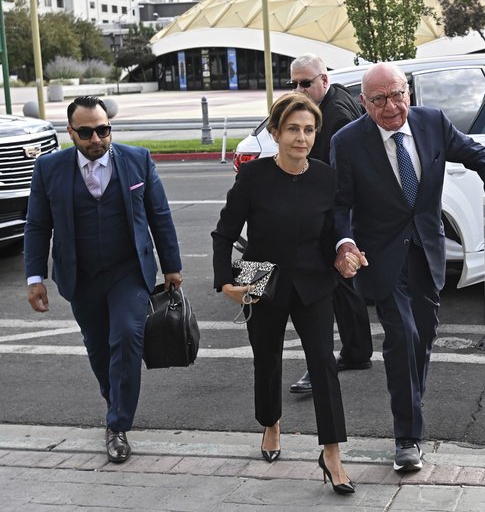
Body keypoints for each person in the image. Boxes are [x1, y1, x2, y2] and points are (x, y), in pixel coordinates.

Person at [330, 63, 485, 473]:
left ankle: (409, 402)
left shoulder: (433, 123)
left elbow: (482, 156)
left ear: (408, 92)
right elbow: (339, 205)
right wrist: (344, 243)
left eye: (397, 94)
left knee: (424, 336)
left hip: (428, 251)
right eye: (379, 99)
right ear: (364, 103)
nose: (391, 106)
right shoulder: (348, 142)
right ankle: (407, 437)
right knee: (403, 335)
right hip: (379, 257)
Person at [24, 96, 183, 464]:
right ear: (70, 132)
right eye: (86, 132)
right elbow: (37, 226)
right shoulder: (49, 168)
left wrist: (172, 266)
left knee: (127, 336)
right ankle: (116, 404)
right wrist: (36, 277)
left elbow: (159, 214)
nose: (96, 138)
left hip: (128, 270)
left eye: (103, 129)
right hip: (80, 276)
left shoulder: (137, 159)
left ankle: (117, 425)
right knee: (98, 348)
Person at [211, 93, 354, 494]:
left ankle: (332, 454)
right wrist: (226, 282)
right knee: (267, 359)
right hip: (261, 277)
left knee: (324, 364)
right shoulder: (253, 176)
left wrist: (344, 253)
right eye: (292, 129)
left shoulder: (326, 177)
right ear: (274, 132)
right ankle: (271, 424)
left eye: (308, 130)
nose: (301, 138)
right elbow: (223, 235)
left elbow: (332, 234)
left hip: (313, 279)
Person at [286, 54, 373, 395]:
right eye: (293, 82)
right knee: (342, 284)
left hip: (333, 210)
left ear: (323, 79)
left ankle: (327, 363)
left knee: (326, 288)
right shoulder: (335, 101)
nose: (298, 89)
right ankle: (354, 351)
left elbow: (331, 171)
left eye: (304, 82)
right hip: (336, 210)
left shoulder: (334, 114)